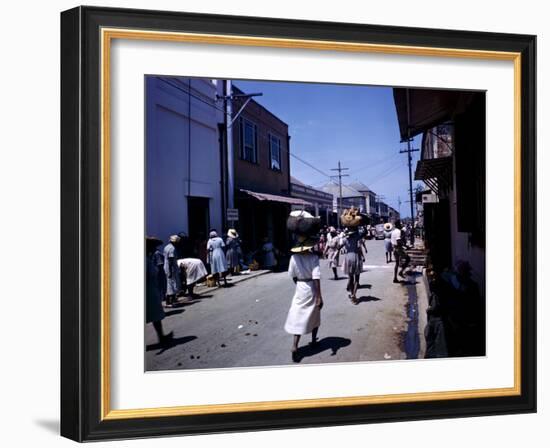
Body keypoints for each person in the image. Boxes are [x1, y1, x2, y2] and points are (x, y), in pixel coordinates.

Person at [285, 236, 323, 363]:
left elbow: (293, 276)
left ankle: (295, 345)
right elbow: (316, 278)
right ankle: (313, 341)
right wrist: (319, 296)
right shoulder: (313, 257)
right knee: (315, 314)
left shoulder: (293, 258)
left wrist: (300, 284)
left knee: (297, 316)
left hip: (300, 288)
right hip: (311, 287)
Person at [146, 237, 173, 346]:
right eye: (152, 246)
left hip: (151, 290)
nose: (154, 249)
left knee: (155, 315)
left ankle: (161, 336)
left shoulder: (148, 258)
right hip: (147, 291)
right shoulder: (144, 259)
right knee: (153, 314)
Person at [341, 227, 367, 304]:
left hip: (348, 257)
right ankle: (354, 295)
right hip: (356, 256)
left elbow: (339, 247)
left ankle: (352, 294)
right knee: (357, 278)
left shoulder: (345, 239)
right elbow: (365, 233)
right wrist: (363, 225)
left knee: (351, 278)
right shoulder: (356, 238)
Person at [163, 235, 181, 307]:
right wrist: (170, 271)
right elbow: (170, 260)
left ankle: (168, 301)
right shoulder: (172, 249)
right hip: (171, 268)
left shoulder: (166, 247)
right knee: (172, 284)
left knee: (169, 284)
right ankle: (172, 301)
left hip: (167, 267)